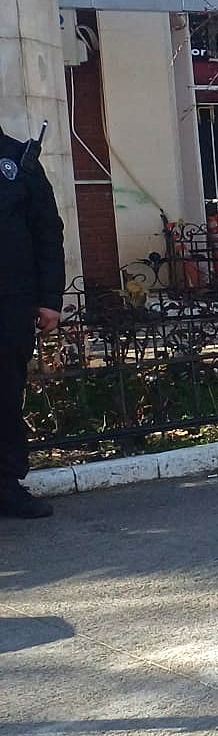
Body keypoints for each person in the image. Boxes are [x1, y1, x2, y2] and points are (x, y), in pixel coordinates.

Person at [2, 125, 64, 521]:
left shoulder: (19, 161)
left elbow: (46, 232)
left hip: (9, 303)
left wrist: (49, 300)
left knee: (4, 395)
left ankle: (6, 486)